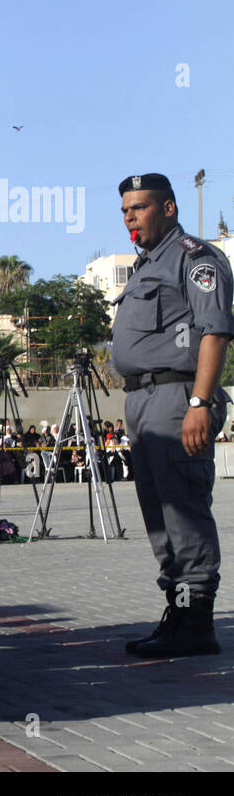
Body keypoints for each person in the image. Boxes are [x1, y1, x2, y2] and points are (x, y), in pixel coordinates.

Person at [112, 173, 233, 657]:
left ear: (168, 207)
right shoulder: (144, 267)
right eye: (124, 211)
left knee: (183, 509)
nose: (130, 219)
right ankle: (178, 613)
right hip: (142, 401)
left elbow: (214, 332)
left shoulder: (194, 257)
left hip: (177, 397)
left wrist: (200, 403)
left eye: (139, 208)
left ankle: (197, 623)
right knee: (158, 514)